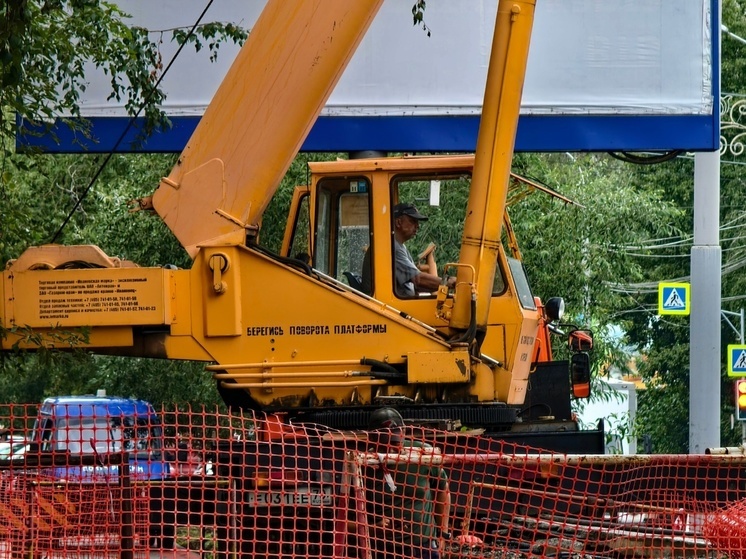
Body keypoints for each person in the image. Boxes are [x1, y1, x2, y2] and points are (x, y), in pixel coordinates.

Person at [364, 407, 452, 559]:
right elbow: (345, 518)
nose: (392, 447)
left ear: (403, 434)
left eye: (396, 441)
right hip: (384, 549)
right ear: (372, 439)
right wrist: (374, 528)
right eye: (386, 442)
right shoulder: (363, 464)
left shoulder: (423, 454)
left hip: (423, 548)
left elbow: (443, 491)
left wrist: (442, 533)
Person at [392, 203, 455, 297]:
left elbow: (416, 285)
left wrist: (443, 286)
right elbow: (418, 280)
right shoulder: (393, 248)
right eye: (412, 221)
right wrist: (448, 282)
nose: (417, 226)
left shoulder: (400, 246)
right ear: (398, 222)